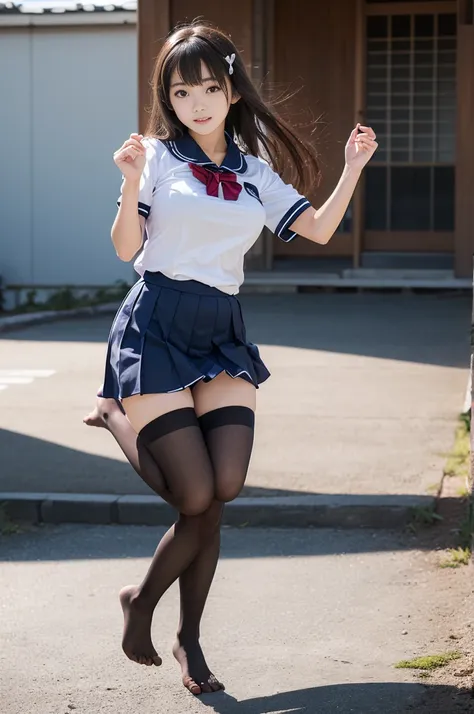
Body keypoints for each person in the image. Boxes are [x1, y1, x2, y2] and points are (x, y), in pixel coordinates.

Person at [83, 20, 377, 696]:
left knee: (223, 488)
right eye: (183, 92)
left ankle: (178, 630)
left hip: (220, 329)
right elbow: (126, 248)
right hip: (156, 323)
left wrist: (354, 167)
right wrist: (129, 183)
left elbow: (322, 228)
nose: (198, 103)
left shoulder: (253, 170)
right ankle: (157, 615)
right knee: (194, 495)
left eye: (211, 87)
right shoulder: (154, 157)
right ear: (170, 98)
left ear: (232, 89)